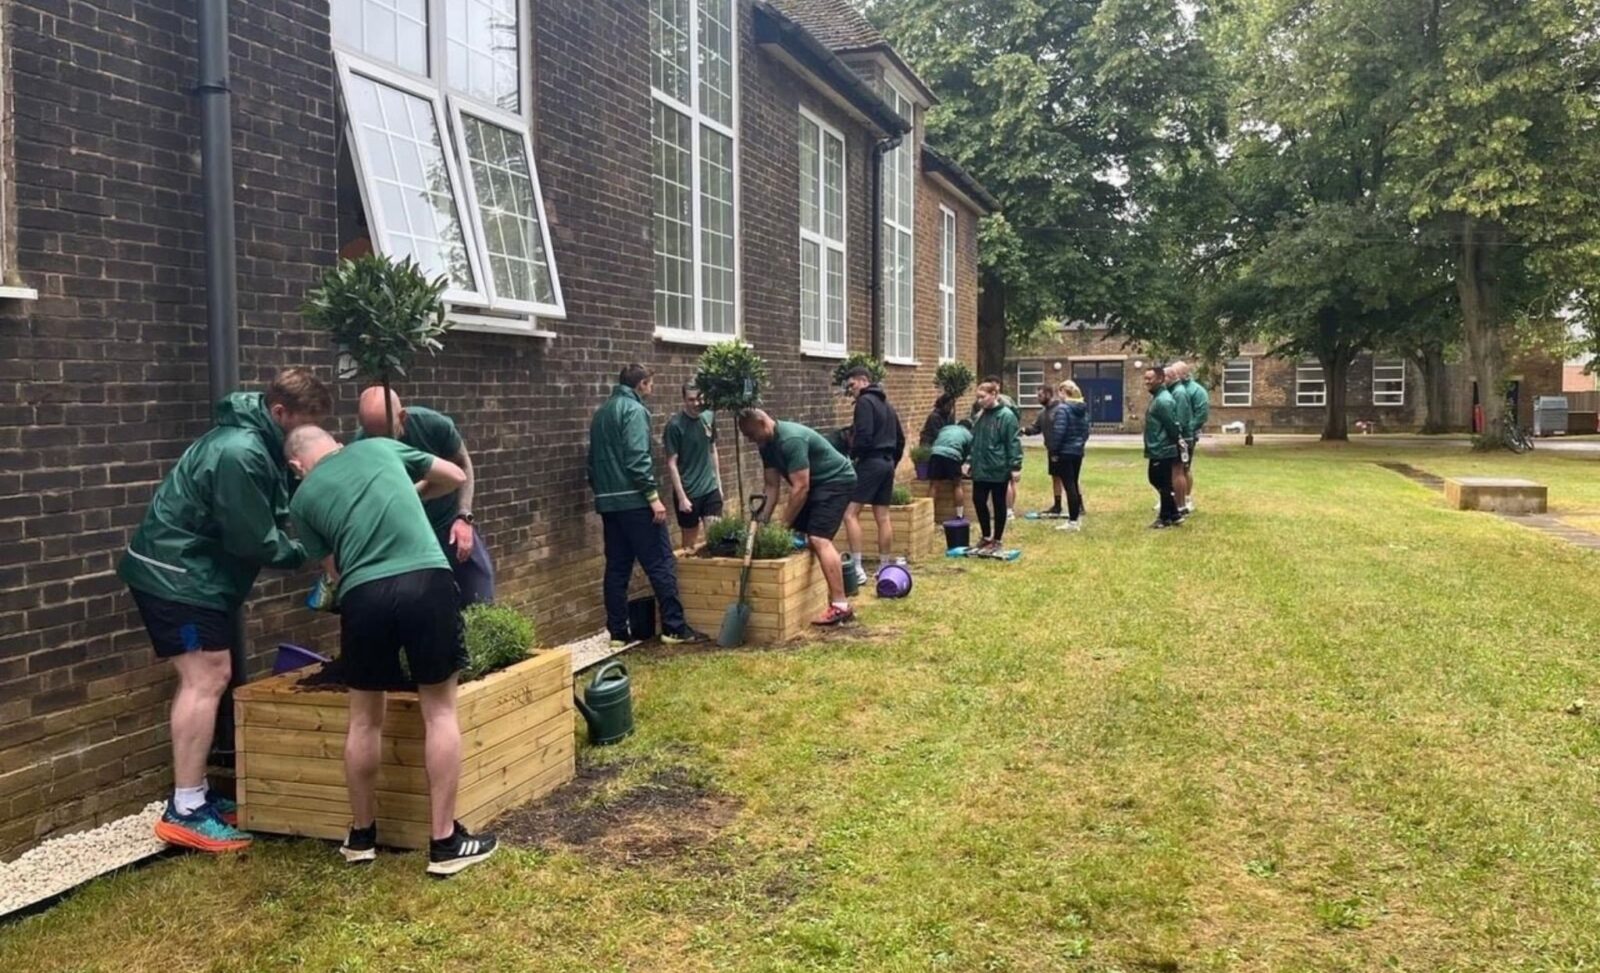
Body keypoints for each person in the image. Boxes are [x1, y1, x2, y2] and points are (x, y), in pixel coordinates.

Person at [117, 368, 332, 852]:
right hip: (176, 578)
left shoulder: (256, 441)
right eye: (304, 423)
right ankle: (186, 810)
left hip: (190, 574)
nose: (307, 434)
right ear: (279, 411)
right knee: (205, 677)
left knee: (211, 675)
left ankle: (196, 795)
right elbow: (253, 540)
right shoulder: (240, 451)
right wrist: (311, 551)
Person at [284, 427, 497, 876]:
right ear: (336, 443)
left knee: (364, 719)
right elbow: (454, 475)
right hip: (426, 580)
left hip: (363, 594)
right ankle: (444, 843)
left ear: (297, 465)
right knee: (439, 711)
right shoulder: (379, 448)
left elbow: (335, 572)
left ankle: (362, 837)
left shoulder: (302, 501)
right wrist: (411, 491)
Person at [587, 365, 708, 648]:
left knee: (617, 568)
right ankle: (674, 628)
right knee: (660, 562)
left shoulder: (601, 414)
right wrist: (652, 497)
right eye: (650, 384)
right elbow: (637, 457)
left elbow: (591, 463)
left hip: (609, 503)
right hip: (635, 501)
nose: (651, 389)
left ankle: (618, 633)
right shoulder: (634, 410)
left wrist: (604, 494)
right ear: (641, 384)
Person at [356, 388, 494, 608]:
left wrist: (463, 517)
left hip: (448, 523)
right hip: (408, 537)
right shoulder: (360, 445)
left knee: (480, 597)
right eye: (373, 436)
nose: (381, 443)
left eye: (387, 434)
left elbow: (462, 466)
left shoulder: (432, 425)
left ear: (402, 417)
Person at [738, 409, 858, 626]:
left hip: (836, 480)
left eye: (751, 434)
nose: (749, 439)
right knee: (796, 537)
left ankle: (840, 605)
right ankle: (814, 594)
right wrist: (762, 522)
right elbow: (771, 486)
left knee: (819, 538)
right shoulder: (766, 445)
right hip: (815, 485)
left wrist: (782, 525)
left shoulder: (791, 440)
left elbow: (801, 488)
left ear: (763, 423)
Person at [840, 367, 906, 586]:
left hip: (870, 462)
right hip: (887, 463)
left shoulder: (864, 402)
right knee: (883, 517)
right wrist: (893, 462)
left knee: (850, 514)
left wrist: (854, 456)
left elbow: (864, 435)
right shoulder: (887, 405)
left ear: (864, 381)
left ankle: (857, 568)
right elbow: (901, 439)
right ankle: (884, 566)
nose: (851, 390)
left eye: (852, 385)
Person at [964, 380, 1022, 557]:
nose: (980, 400)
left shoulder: (1006, 416)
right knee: (978, 500)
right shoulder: (980, 416)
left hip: (998, 467)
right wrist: (969, 461)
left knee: (998, 503)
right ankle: (986, 536)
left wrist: (1015, 465)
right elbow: (974, 441)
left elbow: (1013, 442)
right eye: (978, 397)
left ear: (994, 395)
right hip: (981, 467)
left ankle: (997, 539)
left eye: (983, 397)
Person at [663, 383, 723, 551]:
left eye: (699, 399)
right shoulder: (674, 426)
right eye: (691, 399)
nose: (696, 403)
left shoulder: (709, 417)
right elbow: (672, 464)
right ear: (684, 399)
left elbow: (712, 450)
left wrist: (719, 485)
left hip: (710, 488)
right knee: (689, 544)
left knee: (716, 538)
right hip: (689, 491)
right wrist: (682, 497)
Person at [1143, 366, 1184, 528]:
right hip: (1157, 447)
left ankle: (1165, 517)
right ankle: (1174, 514)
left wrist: (1173, 442)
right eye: (1145, 378)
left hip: (1162, 448)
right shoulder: (1158, 398)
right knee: (1158, 480)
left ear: (1160, 379)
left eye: (1150, 378)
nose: (1146, 382)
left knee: (1161, 481)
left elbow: (1172, 425)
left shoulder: (1163, 400)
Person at [1050, 381, 1092, 531]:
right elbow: (1086, 431)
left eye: (1059, 392)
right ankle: (1075, 517)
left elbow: (1059, 432)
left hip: (1065, 451)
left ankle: (1073, 521)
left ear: (1064, 392)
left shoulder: (1063, 409)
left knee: (1069, 486)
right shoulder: (1083, 409)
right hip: (1077, 451)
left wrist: (1054, 451)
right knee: (1073, 482)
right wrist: (1080, 443)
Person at [1024, 384, 1065, 515]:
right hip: (1052, 450)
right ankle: (1057, 505)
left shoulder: (1060, 410)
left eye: (1040, 395)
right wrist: (1025, 430)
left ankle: (1078, 504)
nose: (1038, 398)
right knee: (1055, 477)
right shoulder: (1043, 413)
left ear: (1048, 394)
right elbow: (1036, 428)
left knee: (1070, 478)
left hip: (1064, 449)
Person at [1175, 361, 1209, 512]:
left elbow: (1202, 414)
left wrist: (1187, 431)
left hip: (1187, 436)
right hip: (1173, 434)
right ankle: (1171, 498)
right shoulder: (1173, 389)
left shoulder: (1197, 391)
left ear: (1184, 374)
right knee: (1172, 469)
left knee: (1184, 467)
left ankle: (1186, 499)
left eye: (1176, 374)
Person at [928, 419, 973, 520]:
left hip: (935, 454)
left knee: (934, 485)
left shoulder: (946, 428)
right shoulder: (968, 435)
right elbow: (968, 453)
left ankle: (929, 515)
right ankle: (959, 515)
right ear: (969, 428)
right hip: (953, 455)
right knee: (957, 485)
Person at [1165, 364, 1194, 517]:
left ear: (1170, 377)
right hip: (1181, 436)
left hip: (1182, 437)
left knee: (1178, 470)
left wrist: (1174, 434)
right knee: (1176, 470)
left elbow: (1180, 419)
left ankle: (1180, 505)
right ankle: (1177, 503)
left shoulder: (1179, 393)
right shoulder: (1176, 391)